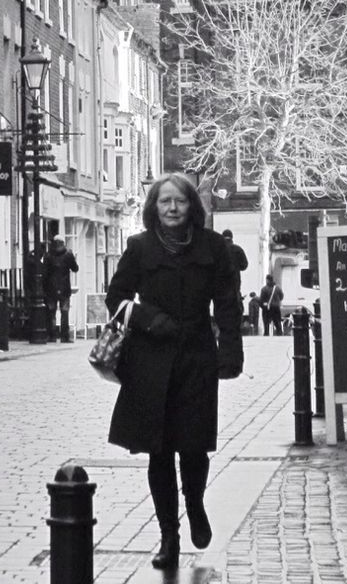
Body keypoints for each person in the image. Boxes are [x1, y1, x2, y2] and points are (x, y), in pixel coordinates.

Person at [105, 172, 243, 572]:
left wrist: (230, 353)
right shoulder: (140, 247)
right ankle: (169, 536)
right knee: (159, 451)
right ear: (154, 207)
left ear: (190, 206)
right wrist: (148, 319)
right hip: (151, 360)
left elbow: (228, 304)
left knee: (194, 445)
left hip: (196, 356)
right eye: (164, 201)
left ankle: (195, 503)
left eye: (179, 201)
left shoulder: (214, 248)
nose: (172, 208)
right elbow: (117, 297)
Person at [42, 236, 79, 342]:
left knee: (51, 312)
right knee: (65, 312)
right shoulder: (68, 254)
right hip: (65, 287)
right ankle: (64, 336)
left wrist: (44, 287)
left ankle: (52, 336)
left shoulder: (48, 255)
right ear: (63, 243)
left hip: (51, 288)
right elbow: (75, 268)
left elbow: (44, 273)